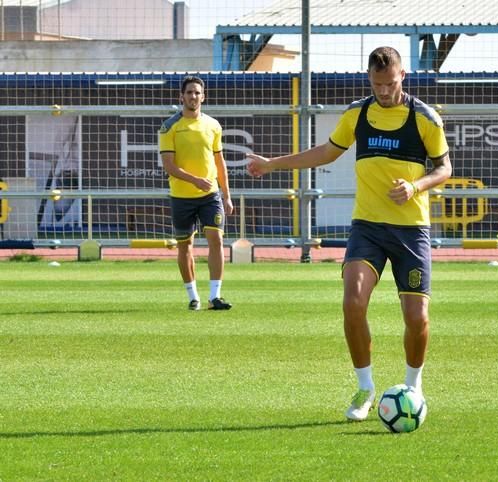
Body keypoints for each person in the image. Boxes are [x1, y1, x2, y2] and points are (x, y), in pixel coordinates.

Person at [247, 46, 452, 421]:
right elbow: (326, 152)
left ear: (402, 76)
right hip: (368, 228)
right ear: (369, 79)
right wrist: (272, 164)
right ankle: (365, 388)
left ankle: (413, 386)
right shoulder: (358, 113)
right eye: (377, 84)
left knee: (417, 317)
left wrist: (416, 187)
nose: (384, 91)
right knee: (352, 303)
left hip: (411, 230)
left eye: (390, 84)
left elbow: (444, 168)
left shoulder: (425, 118)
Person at [159, 75, 233, 310]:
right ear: (181, 96)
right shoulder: (169, 127)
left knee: (216, 240)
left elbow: (220, 163)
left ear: (204, 96)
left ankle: (215, 296)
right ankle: (193, 296)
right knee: (185, 246)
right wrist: (194, 180)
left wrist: (226, 194)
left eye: (197, 92)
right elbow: (169, 166)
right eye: (189, 92)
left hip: (210, 195)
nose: (193, 96)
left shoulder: (213, 125)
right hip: (181, 197)